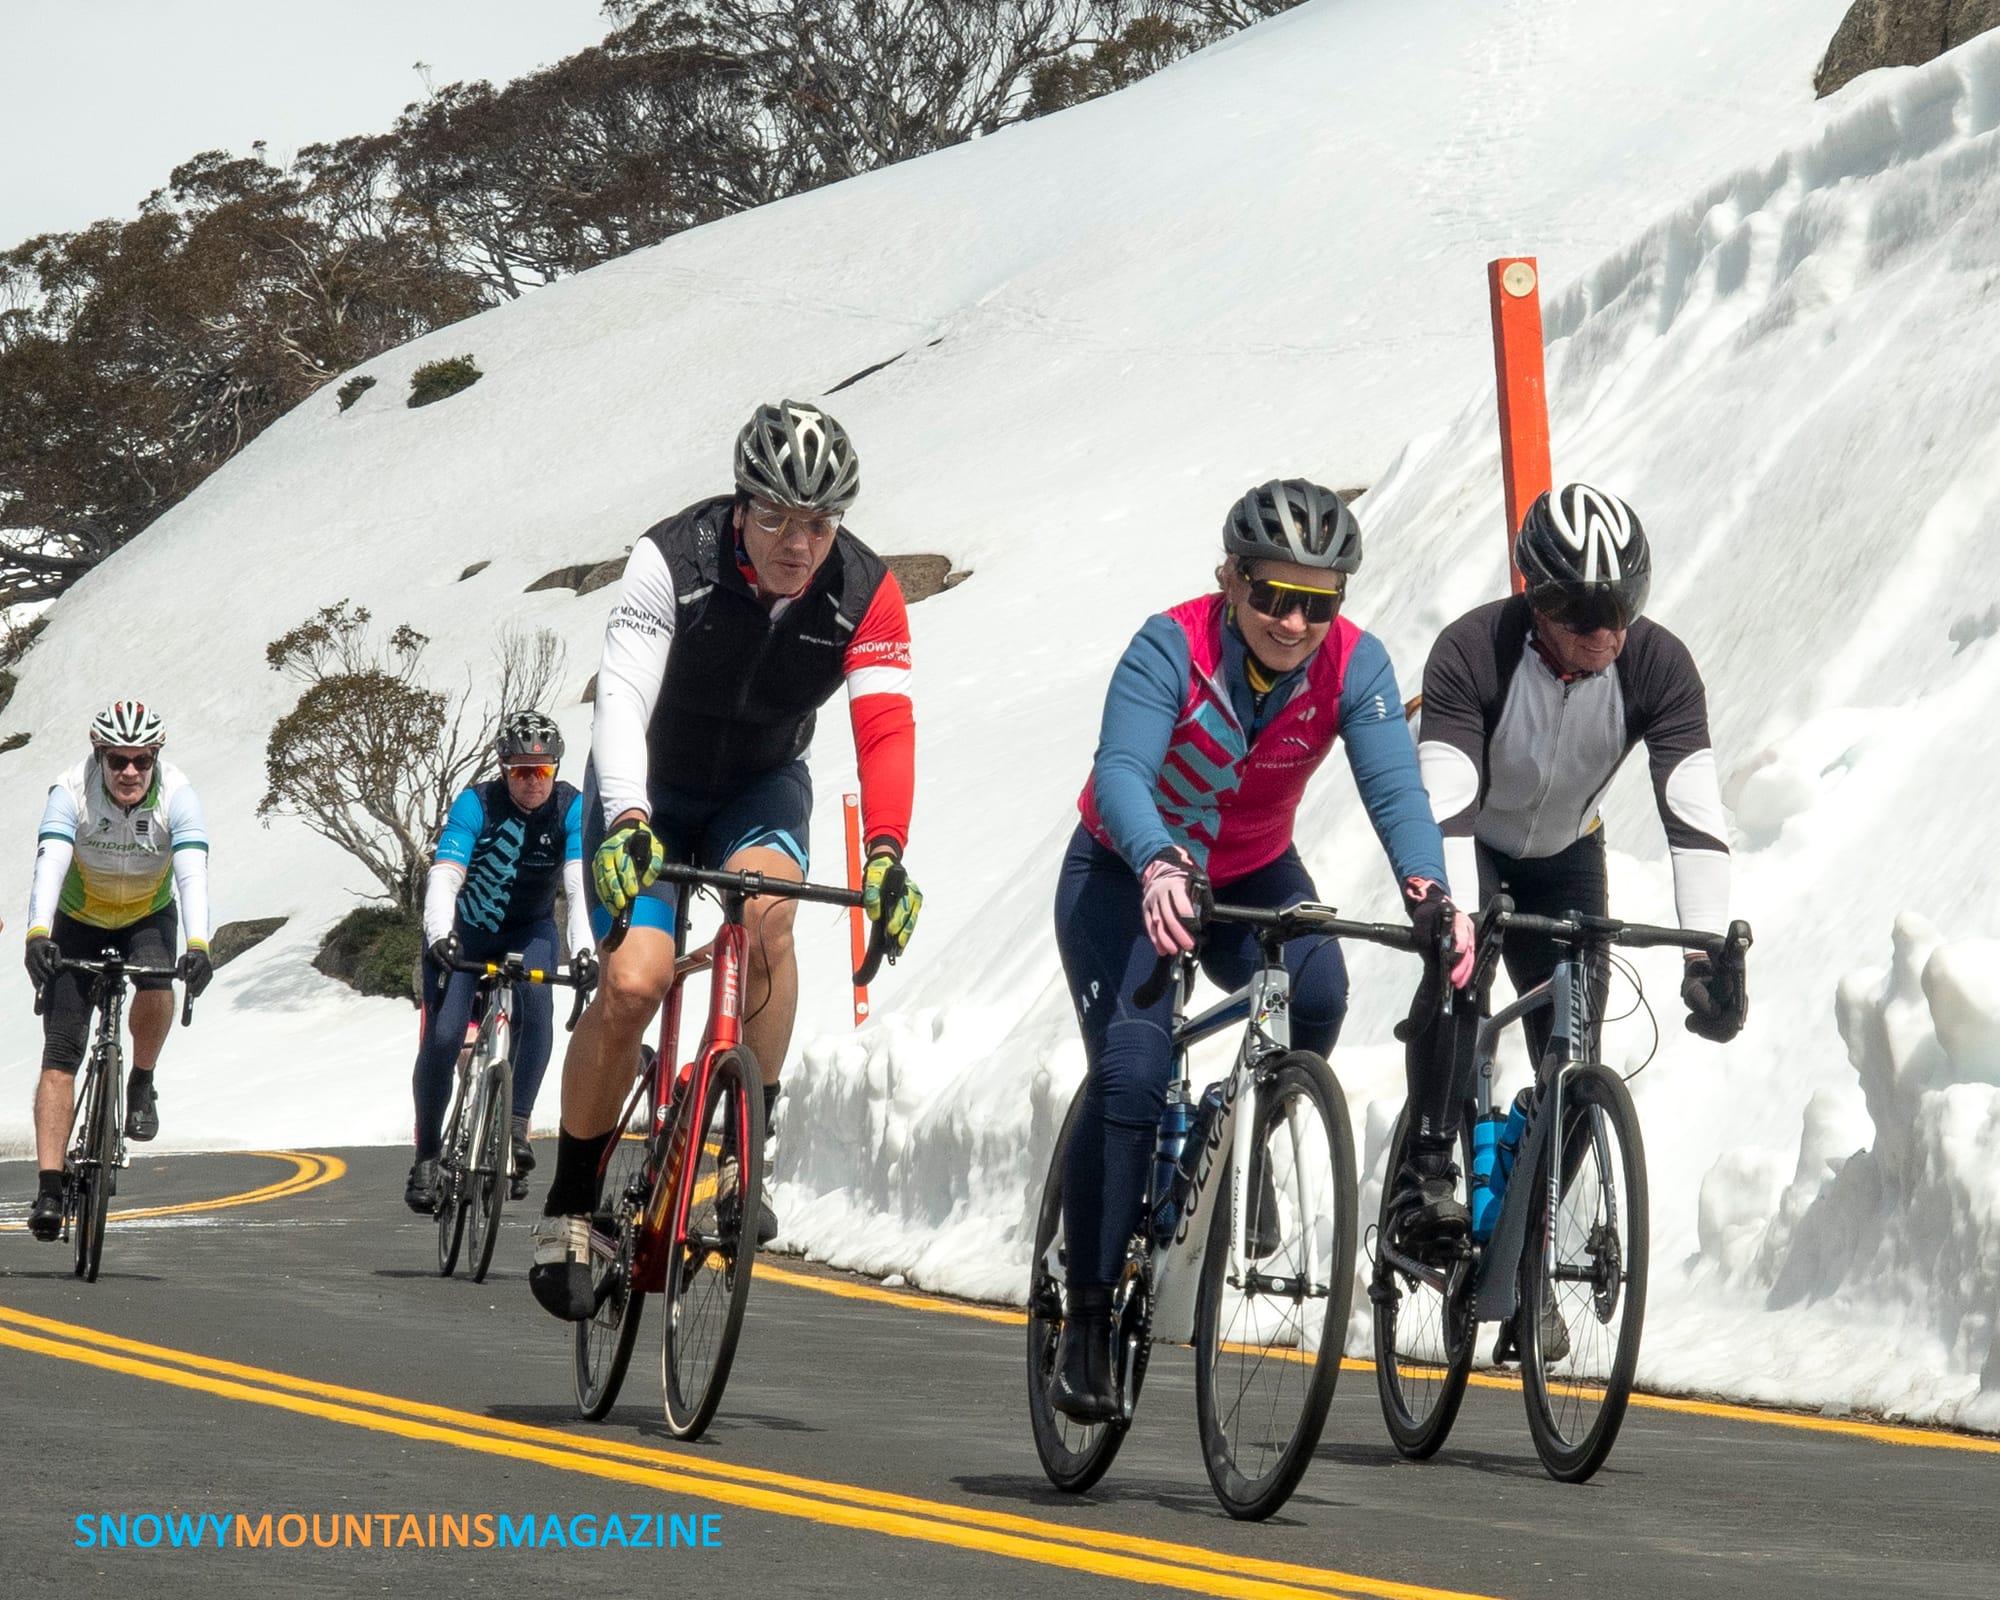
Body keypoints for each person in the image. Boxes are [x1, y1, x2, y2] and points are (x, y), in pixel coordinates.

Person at [1047, 480, 1473, 1421]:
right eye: (1274, 595)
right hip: (1124, 871)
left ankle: (1244, 1130)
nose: (1293, 621)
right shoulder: (1172, 645)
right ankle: (1086, 1321)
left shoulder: (1354, 665)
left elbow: (1396, 791)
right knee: (1131, 1070)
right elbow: (1121, 770)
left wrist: (1430, 889)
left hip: (1250, 873)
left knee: (1319, 992)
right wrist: (1156, 859)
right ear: (1232, 580)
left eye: (1317, 603)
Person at [528, 398, 923, 1319]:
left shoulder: (866, 591)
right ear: (742, 506)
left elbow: (885, 727)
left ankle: (746, 1151)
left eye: (820, 522)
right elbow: (622, 699)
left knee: (771, 915)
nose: (799, 543)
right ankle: (573, 1200)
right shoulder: (672, 559)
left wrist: (888, 853)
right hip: (651, 786)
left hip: (760, 783)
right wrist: (629, 814)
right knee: (634, 981)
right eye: (777, 518)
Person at [1414, 480, 1742, 1162]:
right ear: (1536, 598)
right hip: (1475, 847)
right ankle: (1427, 1170)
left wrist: (1705, 951)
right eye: (1584, 613)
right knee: (1457, 991)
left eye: (1624, 606)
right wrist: (1453, 916)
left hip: (1568, 855)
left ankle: (1527, 1205)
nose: (1607, 633)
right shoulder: (1473, 650)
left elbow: (1694, 817)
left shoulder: (1659, 667)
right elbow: (1444, 810)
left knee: (1573, 1076)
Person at [21, 701, 212, 1240]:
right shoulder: (70, 792)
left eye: (141, 761)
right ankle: (50, 1187)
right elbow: (50, 863)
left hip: (146, 917)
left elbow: (192, 874)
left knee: (157, 979)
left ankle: (142, 1080)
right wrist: (38, 933)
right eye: (117, 760)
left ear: (155, 759)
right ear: (99, 756)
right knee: (61, 1053)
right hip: (78, 919)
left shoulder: (178, 795)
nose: (130, 772)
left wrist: (198, 944)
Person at [407, 711, 595, 1213]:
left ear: (555, 769)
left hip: (530, 929)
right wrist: (440, 935)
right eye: (521, 771)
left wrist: (583, 950)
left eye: (542, 770)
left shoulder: (571, 807)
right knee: (445, 1036)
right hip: (465, 932)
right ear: (503, 769)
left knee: (538, 1011)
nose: (533, 781)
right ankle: (426, 1156)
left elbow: (578, 885)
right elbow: (445, 875)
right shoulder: (477, 803)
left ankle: (515, 1126)